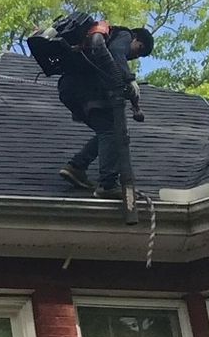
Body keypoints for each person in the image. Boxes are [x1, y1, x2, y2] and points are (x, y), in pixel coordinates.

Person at [57, 25, 153, 217]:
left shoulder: (102, 41)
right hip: (86, 87)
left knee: (108, 132)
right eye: (139, 50)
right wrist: (129, 78)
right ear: (136, 39)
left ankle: (76, 167)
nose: (134, 56)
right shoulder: (124, 35)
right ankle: (108, 184)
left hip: (69, 89)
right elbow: (118, 52)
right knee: (112, 132)